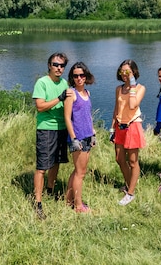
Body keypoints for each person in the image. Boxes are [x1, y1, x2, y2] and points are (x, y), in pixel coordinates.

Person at [32, 52, 73, 220]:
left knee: (56, 162)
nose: (59, 68)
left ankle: (50, 190)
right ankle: (37, 202)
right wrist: (59, 98)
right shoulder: (42, 82)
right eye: (56, 64)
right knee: (42, 166)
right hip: (46, 129)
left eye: (62, 65)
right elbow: (40, 107)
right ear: (49, 65)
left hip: (62, 128)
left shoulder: (64, 83)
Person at [109, 59, 146, 206]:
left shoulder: (140, 88)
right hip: (120, 126)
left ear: (134, 72)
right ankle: (129, 183)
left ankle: (130, 193)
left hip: (132, 126)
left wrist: (132, 85)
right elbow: (116, 108)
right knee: (119, 158)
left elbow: (132, 105)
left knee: (132, 161)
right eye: (122, 71)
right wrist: (112, 127)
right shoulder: (118, 89)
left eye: (128, 72)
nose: (124, 74)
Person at [63, 62, 97, 213]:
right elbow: (67, 118)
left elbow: (87, 116)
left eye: (82, 75)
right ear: (72, 78)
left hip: (88, 136)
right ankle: (78, 206)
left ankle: (68, 199)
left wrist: (93, 132)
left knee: (78, 170)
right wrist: (74, 139)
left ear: (86, 76)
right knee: (80, 173)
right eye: (75, 76)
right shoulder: (71, 94)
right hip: (78, 138)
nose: (79, 78)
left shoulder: (87, 93)